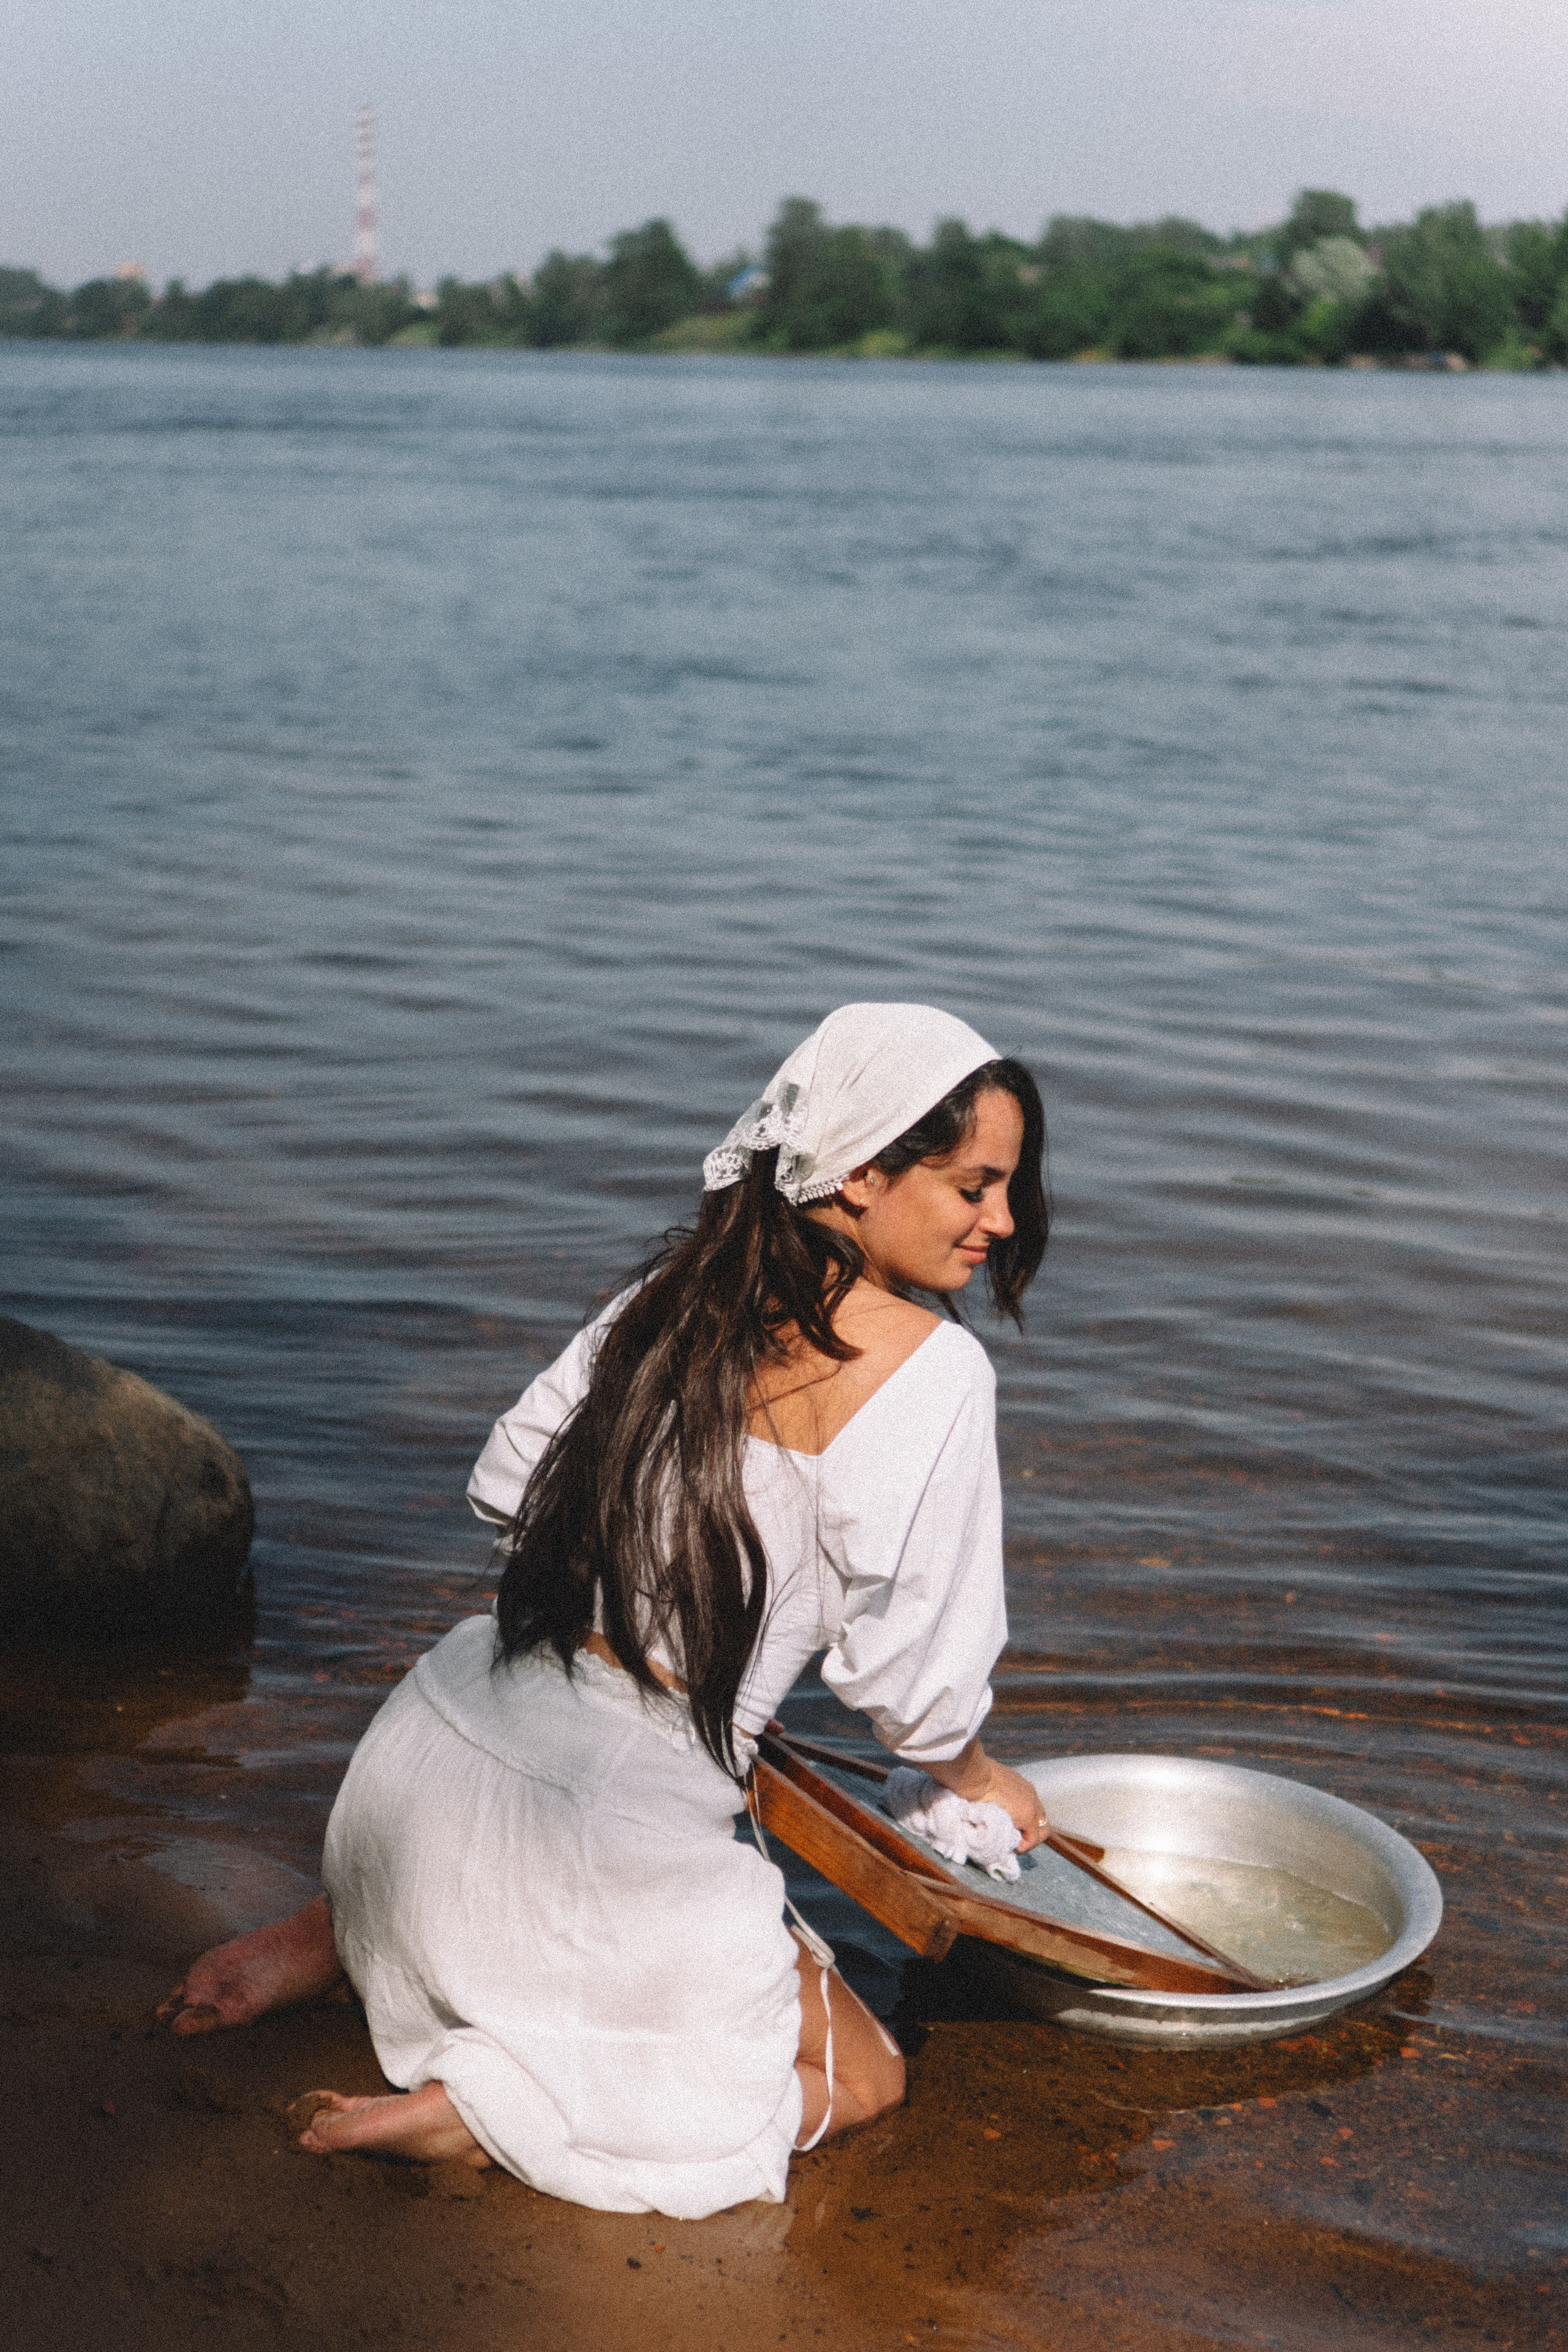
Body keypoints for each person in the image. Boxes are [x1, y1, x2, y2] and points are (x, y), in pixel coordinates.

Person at [159, 1002, 1052, 2219]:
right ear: (856, 1174)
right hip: (597, 1834)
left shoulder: (680, 1290)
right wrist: (978, 1777)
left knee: (522, 1885)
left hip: (426, 1754)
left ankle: (345, 1936)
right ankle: (493, 2114)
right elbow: (910, 1690)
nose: (999, 1222)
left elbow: (505, 1482)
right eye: (972, 1187)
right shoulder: (937, 1369)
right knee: (861, 2076)